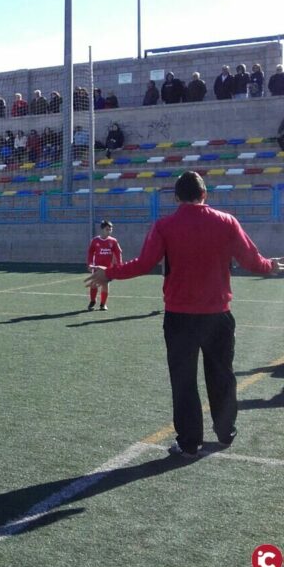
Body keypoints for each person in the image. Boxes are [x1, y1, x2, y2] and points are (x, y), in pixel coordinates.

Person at [85, 171, 283, 458]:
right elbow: (251, 259)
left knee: (184, 380)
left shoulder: (165, 225)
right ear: (205, 195)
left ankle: (190, 442)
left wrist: (109, 274)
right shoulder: (227, 221)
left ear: (176, 197)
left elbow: (144, 263)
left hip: (180, 317)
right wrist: (271, 266)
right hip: (218, 315)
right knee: (222, 375)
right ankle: (226, 431)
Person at [86, 220, 123, 311]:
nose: (110, 231)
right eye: (107, 229)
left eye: (111, 229)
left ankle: (103, 304)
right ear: (102, 229)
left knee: (105, 284)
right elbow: (90, 252)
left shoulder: (113, 241)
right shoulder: (95, 240)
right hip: (97, 267)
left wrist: (119, 264)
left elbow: (118, 253)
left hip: (107, 268)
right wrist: (90, 264)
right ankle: (92, 301)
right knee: (94, 284)